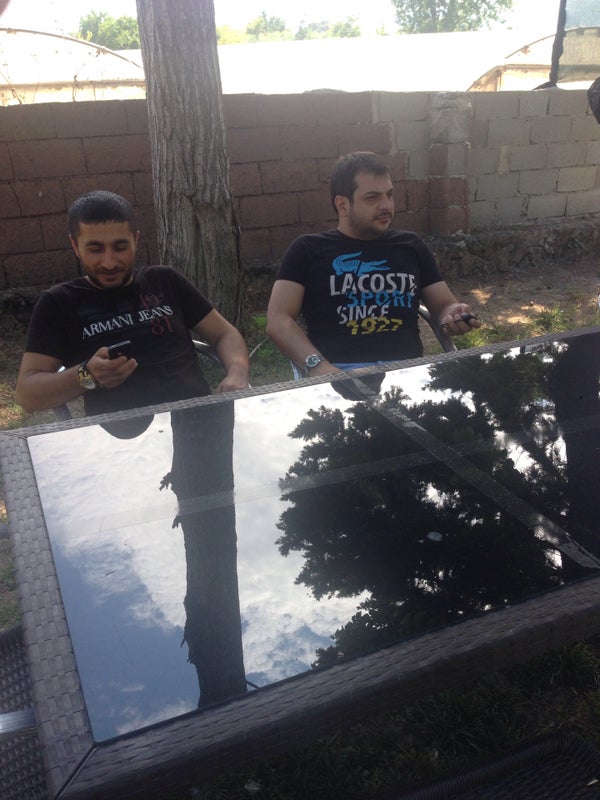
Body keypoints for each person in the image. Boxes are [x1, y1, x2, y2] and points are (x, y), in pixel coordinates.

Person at [16, 190, 249, 417]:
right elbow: (27, 396)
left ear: (135, 241)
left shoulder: (165, 281)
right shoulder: (58, 303)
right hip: (120, 435)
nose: (109, 262)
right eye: (95, 249)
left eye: (120, 247)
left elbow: (225, 334)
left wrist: (237, 374)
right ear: (75, 246)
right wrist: (86, 376)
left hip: (196, 421)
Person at [266, 151, 481, 380]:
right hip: (337, 373)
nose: (386, 205)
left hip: (406, 372)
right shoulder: (307, 249)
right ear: (342, 205)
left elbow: (443, 305)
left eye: (389, 195)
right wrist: (318, 366)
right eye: (372, 198)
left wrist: (454, 315)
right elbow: (278, 320)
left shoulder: (411, 245)